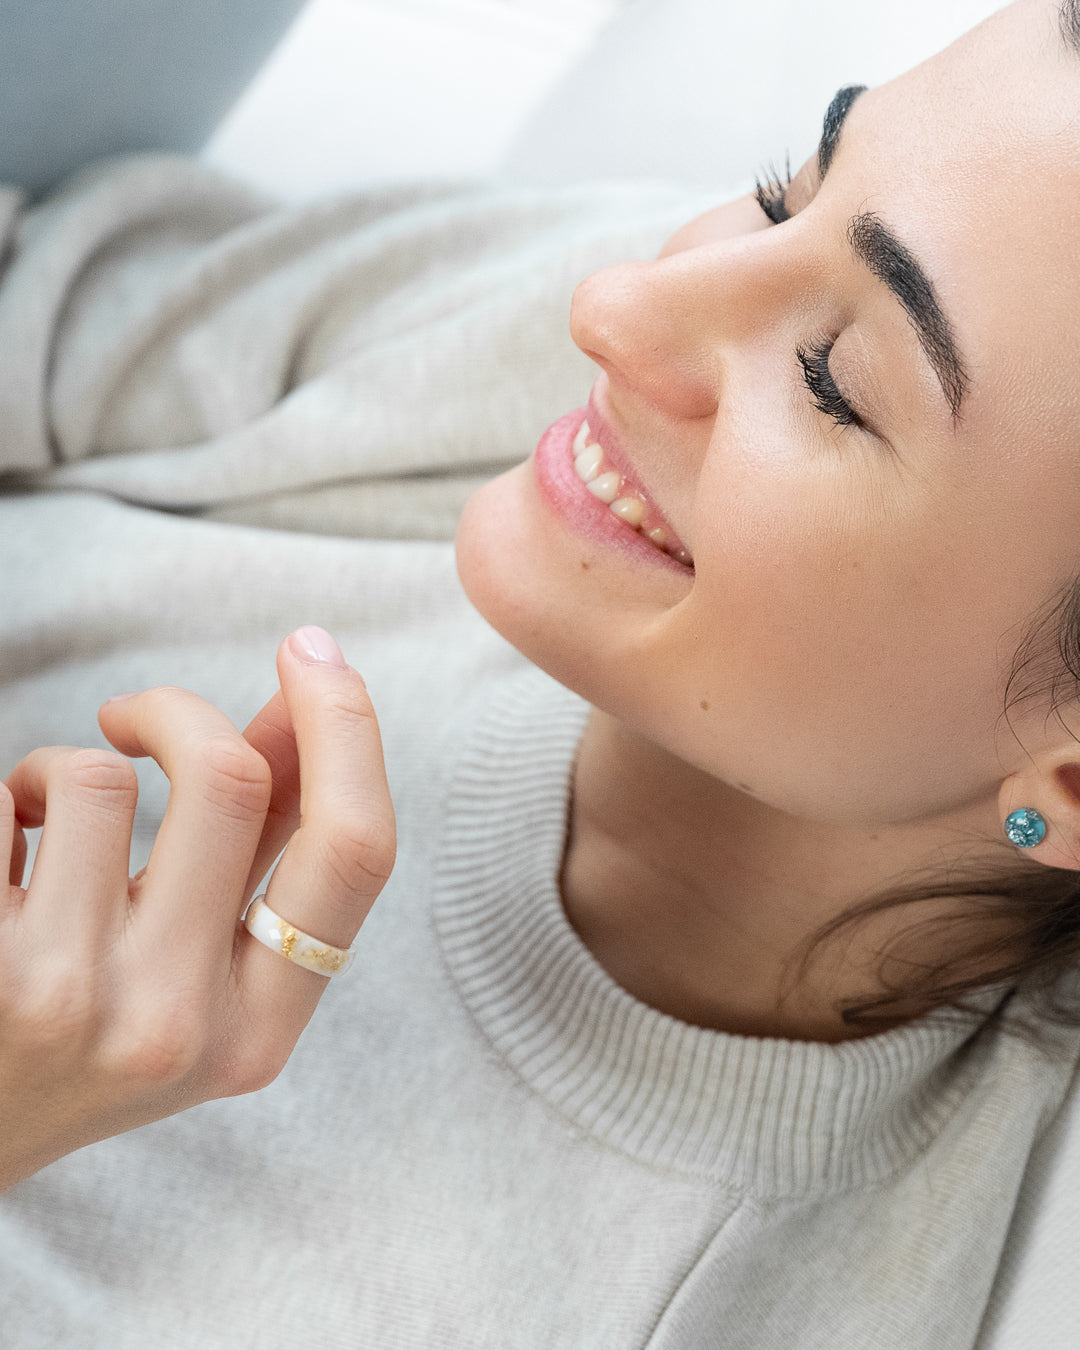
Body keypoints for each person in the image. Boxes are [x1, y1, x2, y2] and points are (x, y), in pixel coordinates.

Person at [3, 0, 1080, 1343]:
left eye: (831, 382)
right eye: (780, 189)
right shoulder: (584, 385)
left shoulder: (720, 1302)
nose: (616, 306)